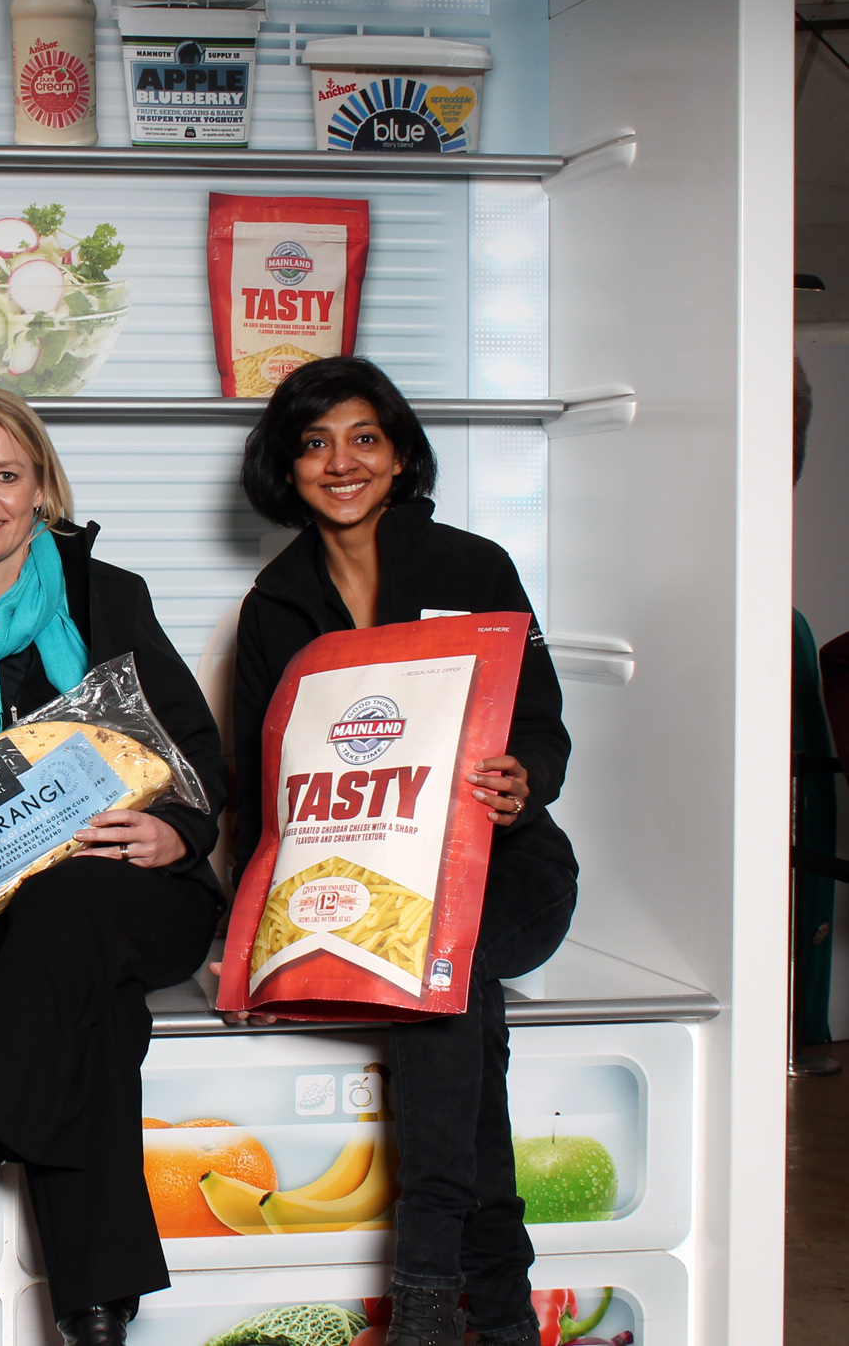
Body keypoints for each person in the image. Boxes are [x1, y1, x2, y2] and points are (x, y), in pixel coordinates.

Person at [225, 357, 578, 1346]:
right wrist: (246, 926)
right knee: (448, 978)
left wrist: (521, 781)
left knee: (444, 957)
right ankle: (492, 1315)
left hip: (508, 873)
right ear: (284, 467)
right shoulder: (274, 603)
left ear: (399, 454)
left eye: (362, 437)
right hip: (366, 891)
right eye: (311, 441)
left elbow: (543, 726)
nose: (338, 461)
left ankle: (421, 1283)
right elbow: (264, 792)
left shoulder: (471, 566)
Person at [0, 387, 226, 1346]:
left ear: (42, 486)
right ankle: (97, 1318)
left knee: (79, 904)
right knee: (96, 1006)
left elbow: (197, 750)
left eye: (5, 474)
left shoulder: (108, 592)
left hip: (138, 888)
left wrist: (180, 835)